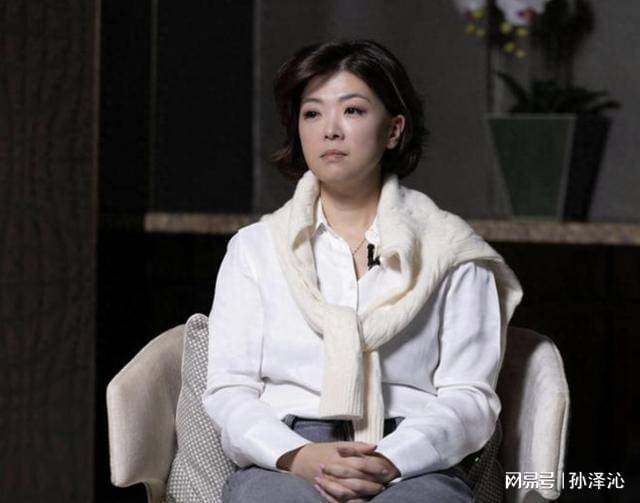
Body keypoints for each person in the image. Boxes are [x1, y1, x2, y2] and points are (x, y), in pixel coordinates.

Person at [202, 39, 523, 503]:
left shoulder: (450, 249)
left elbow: (470, 396)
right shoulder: (255, 249)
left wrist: (390, 460)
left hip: (412, 455)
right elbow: (229, 389)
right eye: (312, 113)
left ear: (393, 130)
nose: (330, 130)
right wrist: (297, 455)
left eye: (352, 110)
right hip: (288, 453)